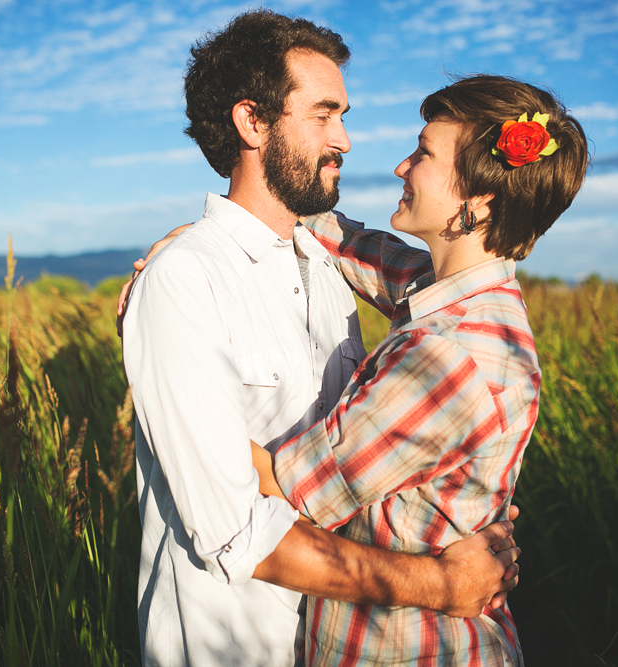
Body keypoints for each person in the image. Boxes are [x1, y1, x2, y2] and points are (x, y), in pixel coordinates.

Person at [133, 74, 588, 665]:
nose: (401, 167)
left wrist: (176, 368)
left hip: (407, 648)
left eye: (424, 154)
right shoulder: (468, 299)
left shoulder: (446, 354)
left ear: (480, 201)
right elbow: (352, 243)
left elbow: (297, 486)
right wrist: (211, 238)